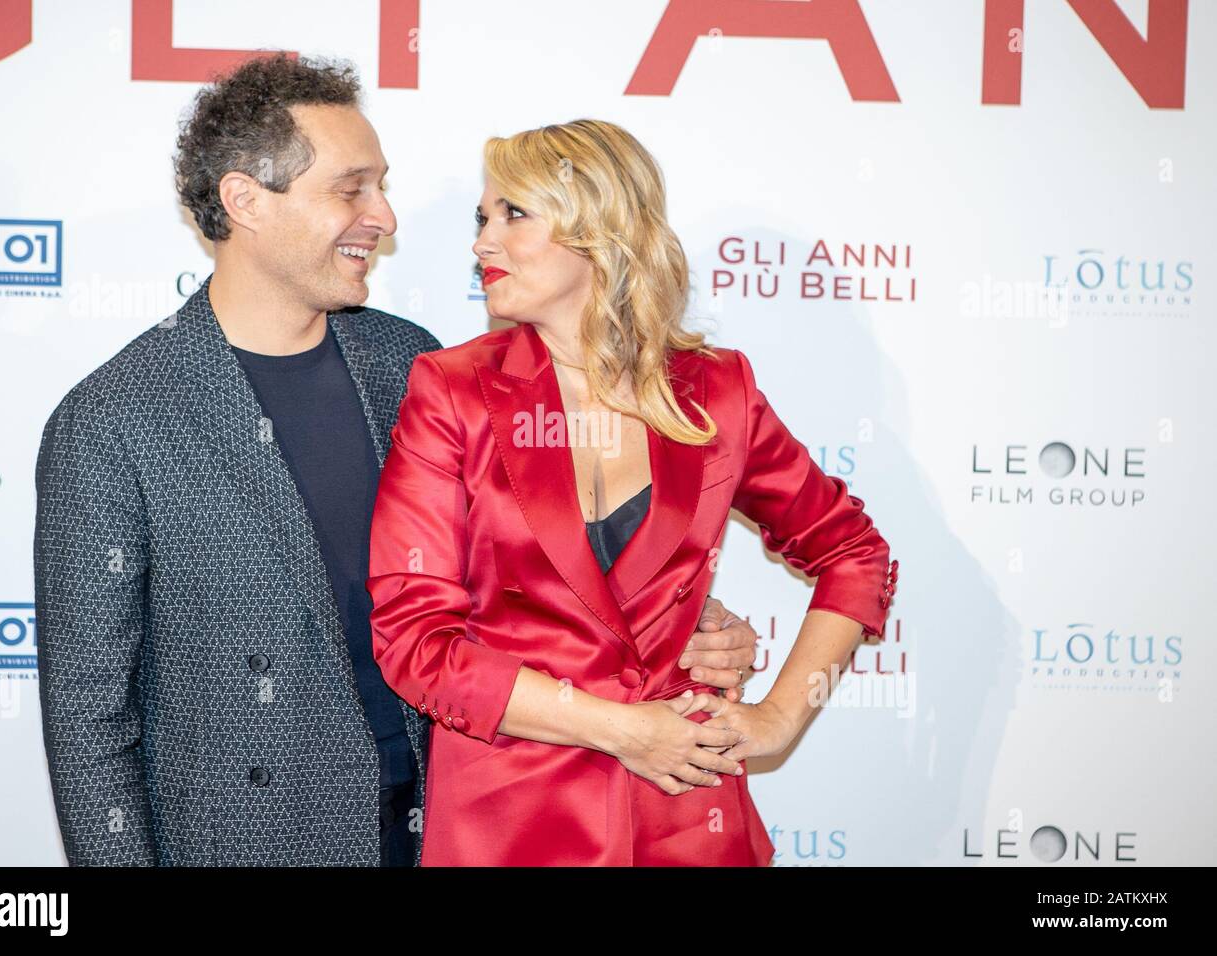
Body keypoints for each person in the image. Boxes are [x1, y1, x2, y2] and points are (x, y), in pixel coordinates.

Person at [33, 56, 760, 867]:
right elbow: (89, 722)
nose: (384, 215)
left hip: (454, 820)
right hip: (254, 845)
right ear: (245, 201)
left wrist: (677, 618)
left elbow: (519, 575)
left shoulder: (409, 363)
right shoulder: (112, 420)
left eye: (381, 185)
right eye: (352, 188)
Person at [367, 119, 899, 866]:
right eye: (482, 219)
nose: (483, 242)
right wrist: (621, 728)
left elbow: (854, 553)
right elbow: (415, 642)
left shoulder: (717, 391)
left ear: (600, 227)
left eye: (514, 214)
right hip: (511, 825)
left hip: (687, 819)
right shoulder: (452, 392)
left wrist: (778, 719)